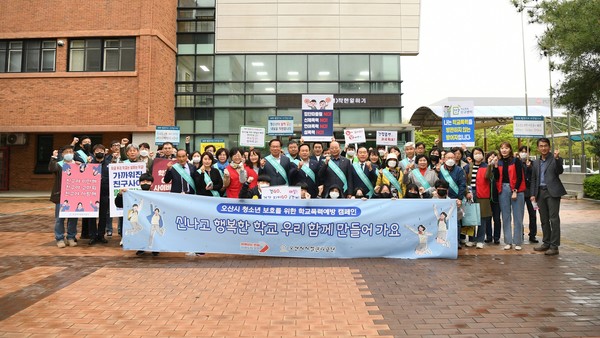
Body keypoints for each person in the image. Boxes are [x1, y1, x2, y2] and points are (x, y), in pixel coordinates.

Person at [531, 138, 566, 256]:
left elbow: (559, 171)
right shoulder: (536, 162)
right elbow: (534, 179)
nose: (543, 148)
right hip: (540, 193)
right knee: (544, 219)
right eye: (541, 146)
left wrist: (557, 159)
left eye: (545, 146)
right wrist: (532, 194)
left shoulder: (555, 159)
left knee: (554, 219)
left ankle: (554, 246)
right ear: (538, 148)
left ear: (549, 147)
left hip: (553, 193)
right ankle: (546, 242)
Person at [492, 142, 525, 251]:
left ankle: (518, 241)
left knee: (518, 216)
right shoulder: (499, 162)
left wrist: (515, 190)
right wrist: (495, 166)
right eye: (502, 148)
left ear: (510, 149)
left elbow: (520, 176)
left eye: (506, 148)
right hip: (503, 189)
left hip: (516, 189)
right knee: (505, 217)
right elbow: (496, 178)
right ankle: (508, 241)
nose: (504, 150)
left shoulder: (516, 161)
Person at [114, 173, 158, 256]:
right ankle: (141, 247)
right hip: (139, 219)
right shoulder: (132, 195)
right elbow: (119, 204)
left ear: (152, 183)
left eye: (148, 181)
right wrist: (120, 195)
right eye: (143, 181)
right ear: (139, 183)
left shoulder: (156, 196)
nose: (145, 183)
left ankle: (155, 249)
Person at [49, 145, 79, 248]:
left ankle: (71, 237)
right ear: (62, 154)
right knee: (59, 219)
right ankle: (60, 238)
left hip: (74, 196)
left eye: (71, 152)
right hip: (61, 196)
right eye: (67, 152)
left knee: (73, 218)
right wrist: (53, 158)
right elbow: (51, 168)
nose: (69, 154)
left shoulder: (77, 165)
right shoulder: (59, 165)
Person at [469, 148, 493, 249]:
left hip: (483, 194)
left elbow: (489, 177)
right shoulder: (468, 166)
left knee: (482, 218)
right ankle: (472, 239)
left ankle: (480, 239)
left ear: (483, 155)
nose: (477, 155)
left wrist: (490, 166)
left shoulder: (486, 166)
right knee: (471, 218)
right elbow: (466, 180)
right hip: (470, 193)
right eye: (475, 153)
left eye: (479, 153)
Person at [87, 144, 110, 246]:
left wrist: (102, 179)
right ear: (94, 152)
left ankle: (101, 235)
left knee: (103, 216)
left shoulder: (109, 165)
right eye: (97, 150)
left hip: (104, 194)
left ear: (105, 152)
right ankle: (92, 235)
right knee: (91, 216)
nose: (99, 152)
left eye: (101, 150)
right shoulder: (89, 165)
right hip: (91, 194)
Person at [518, 145, 538, 243]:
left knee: (533, 214)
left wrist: (530, 167)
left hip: (532, 193)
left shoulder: (534, 164)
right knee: (519, 214)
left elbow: (535, 177)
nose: (523, 153)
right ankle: (519, 233)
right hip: (520, 192)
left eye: (525, 151)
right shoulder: (517, 163)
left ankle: (532, 235)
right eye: (522, 151)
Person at [485, 151, 502, 244]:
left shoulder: (498, 167)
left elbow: (497, 177)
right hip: (487, 196)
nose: (492, 159)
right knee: (487, 218)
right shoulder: (485, 167)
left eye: (494, 157)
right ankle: (488, 236)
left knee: (496, 218)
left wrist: (495, 166)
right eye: (490, 157)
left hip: (496, 197)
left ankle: (496, 237)